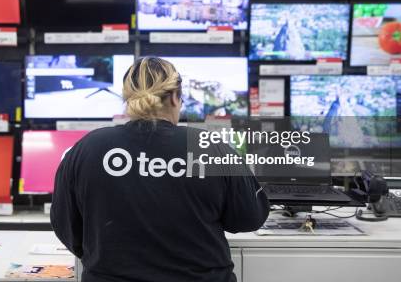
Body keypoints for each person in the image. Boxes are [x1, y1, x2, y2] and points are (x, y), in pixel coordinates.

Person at [51, 56, 269, 282]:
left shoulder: (89, 148)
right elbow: (249, 218)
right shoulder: (209, 146)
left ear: (127, 98)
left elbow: (65, 225)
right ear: (175, 97)